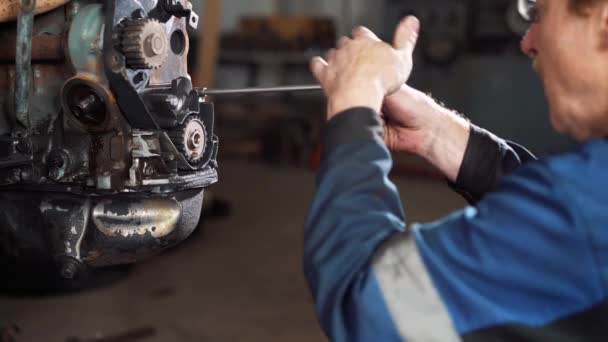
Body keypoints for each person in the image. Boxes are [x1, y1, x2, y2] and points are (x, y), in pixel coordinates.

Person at [303, 0, 608, 341]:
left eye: (540, 14)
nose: (527, 42)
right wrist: (438, 135)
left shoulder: (585, 209)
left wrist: (354, 103)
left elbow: (364, 304)